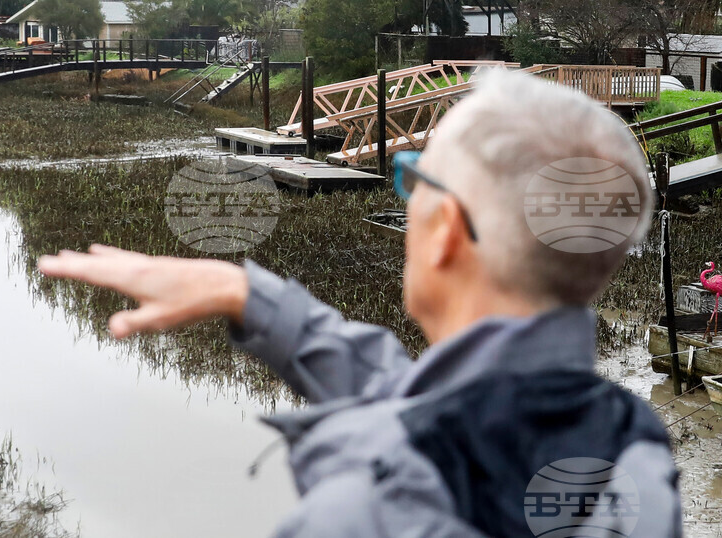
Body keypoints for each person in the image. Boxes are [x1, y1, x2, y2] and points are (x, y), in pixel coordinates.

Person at [37, 70, 681, 537]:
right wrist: (248, 295)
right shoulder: (633, 447)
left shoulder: (374, 507)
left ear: (446, 232)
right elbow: (436, 401)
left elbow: (420, 428)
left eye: (414, 178)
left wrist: (367, 462)